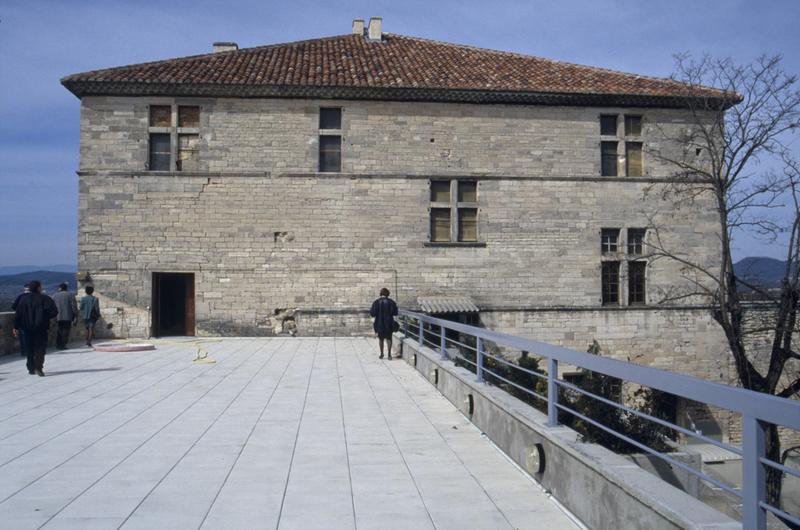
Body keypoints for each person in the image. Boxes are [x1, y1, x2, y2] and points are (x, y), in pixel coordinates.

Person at [13, 280, 58, 376]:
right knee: (40, 348)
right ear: (38, 288)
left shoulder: (23, 299)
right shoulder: (45, 299)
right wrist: (45, 317)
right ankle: (39, 367)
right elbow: (54, 312)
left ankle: (30, 367)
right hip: (41, 327)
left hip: (26, 328)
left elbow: (18, 314)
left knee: (29, 348)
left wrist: (15, 326)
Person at [370, 287, 398, 360]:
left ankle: (382, 354)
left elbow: (372, 313)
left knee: (381, 339)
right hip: (389, 323)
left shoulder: (376, 302)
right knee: (389, 338)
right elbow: (395, 313)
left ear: (381, 294)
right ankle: (389, 355)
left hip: (379, 323)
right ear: (388, 294)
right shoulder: (391, 302)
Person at [52, 283, 78, 349]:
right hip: (68, 315)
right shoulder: (71, 295)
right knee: (66, 330)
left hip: (58, 316)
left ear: (60, 288)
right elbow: (74, 306)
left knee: (59, 330)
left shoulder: (54, 296)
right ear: (66, 288)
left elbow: (52, 306)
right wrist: (75, 314)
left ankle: (58, 344)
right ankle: (63, 344)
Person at [11, 283, 31, 357]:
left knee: (23, 337)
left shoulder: (20, 297)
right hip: (32, 321)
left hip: (22, 320)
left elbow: (13, 307)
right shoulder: (35, 297)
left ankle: (24, 352)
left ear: (24, 289)